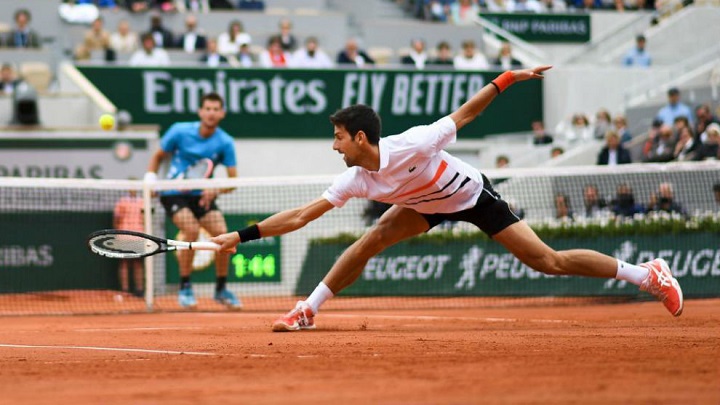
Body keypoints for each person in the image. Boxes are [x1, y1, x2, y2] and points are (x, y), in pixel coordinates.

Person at [211, 66, 684, 332]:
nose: (334, 145)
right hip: (422, 204)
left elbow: (467, 112)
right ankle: (307, 311)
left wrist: (506, 79)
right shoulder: (357, 178)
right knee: (370, 241)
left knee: (548, 262)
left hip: (470, 195)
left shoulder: (414, 142)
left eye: (338, 137)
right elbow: (300, 215)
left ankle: (647, 274)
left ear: (360, 137)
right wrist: (240, 235)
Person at [145, 93, 241, 309]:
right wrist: (150, 177)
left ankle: (221, 289)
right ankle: (185, 287)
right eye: (207, 108)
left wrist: (214, 190)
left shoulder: (225, 142)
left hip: (201, 194)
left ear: (222, 113)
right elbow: (158, 155)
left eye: (216, 109)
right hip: (173, 192)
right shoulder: (179, 130)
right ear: (200, 111)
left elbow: (233, 181)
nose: (211, 113)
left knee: (224, 234)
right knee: (190, 230)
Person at [113, 186, 145, 298]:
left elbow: (146, 218)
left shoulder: (143, 202)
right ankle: (125, 290)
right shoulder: (122, 202)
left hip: (138, 235)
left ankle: (140, 290)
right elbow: (116, 219)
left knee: (138, 264)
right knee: (124, 263)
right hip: (124, 236)